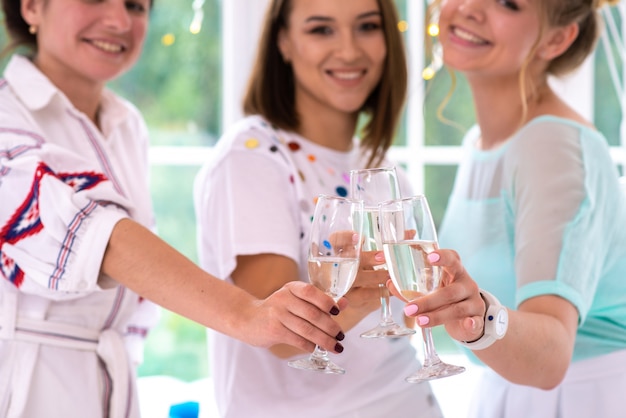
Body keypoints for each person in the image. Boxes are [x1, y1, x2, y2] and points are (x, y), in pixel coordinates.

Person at [0, 1, 348, 417]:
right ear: (32, 7)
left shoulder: (126, 125)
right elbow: (96, 239)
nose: (118, 20)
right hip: (25, 388)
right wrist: (248, 313)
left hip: (111, 389)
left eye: (136, 5)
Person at [193, 0, 444, 417]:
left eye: (367, 26)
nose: (348, 51)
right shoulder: (253, 157)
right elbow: (278, 337)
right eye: (321, 29)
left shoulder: (384, 171)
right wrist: (365, 289)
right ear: (284, 42)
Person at [393, 0, 626, 417]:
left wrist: (478, 314)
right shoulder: (482, 141)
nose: (469, 8)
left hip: (577, 400)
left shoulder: (553, 145)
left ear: (556, 39)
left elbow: (552, 355)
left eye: (507, 3)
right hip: (508, 393)